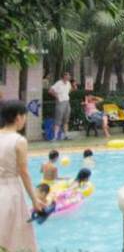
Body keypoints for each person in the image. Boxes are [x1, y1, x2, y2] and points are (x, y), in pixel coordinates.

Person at [0, 100, 44, 251]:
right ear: (18, 117)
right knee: (16, 237)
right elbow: (24, 173)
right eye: (24, 116)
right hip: (11, 191)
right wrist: (34, 199)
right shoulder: (19, 141)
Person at [49, 72, 73, 140]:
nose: (69, 77)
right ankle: (55, 136)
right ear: (64, 76)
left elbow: (70, 90)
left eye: (69, 76)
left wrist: (66, 95)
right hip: (60, 102)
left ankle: (66, 135)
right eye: (68, 75)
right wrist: (57, 97)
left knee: (66, 120)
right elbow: (50, 90)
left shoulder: (68, 83)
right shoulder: (58, 83)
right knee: (58, 120)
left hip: (67, 102)